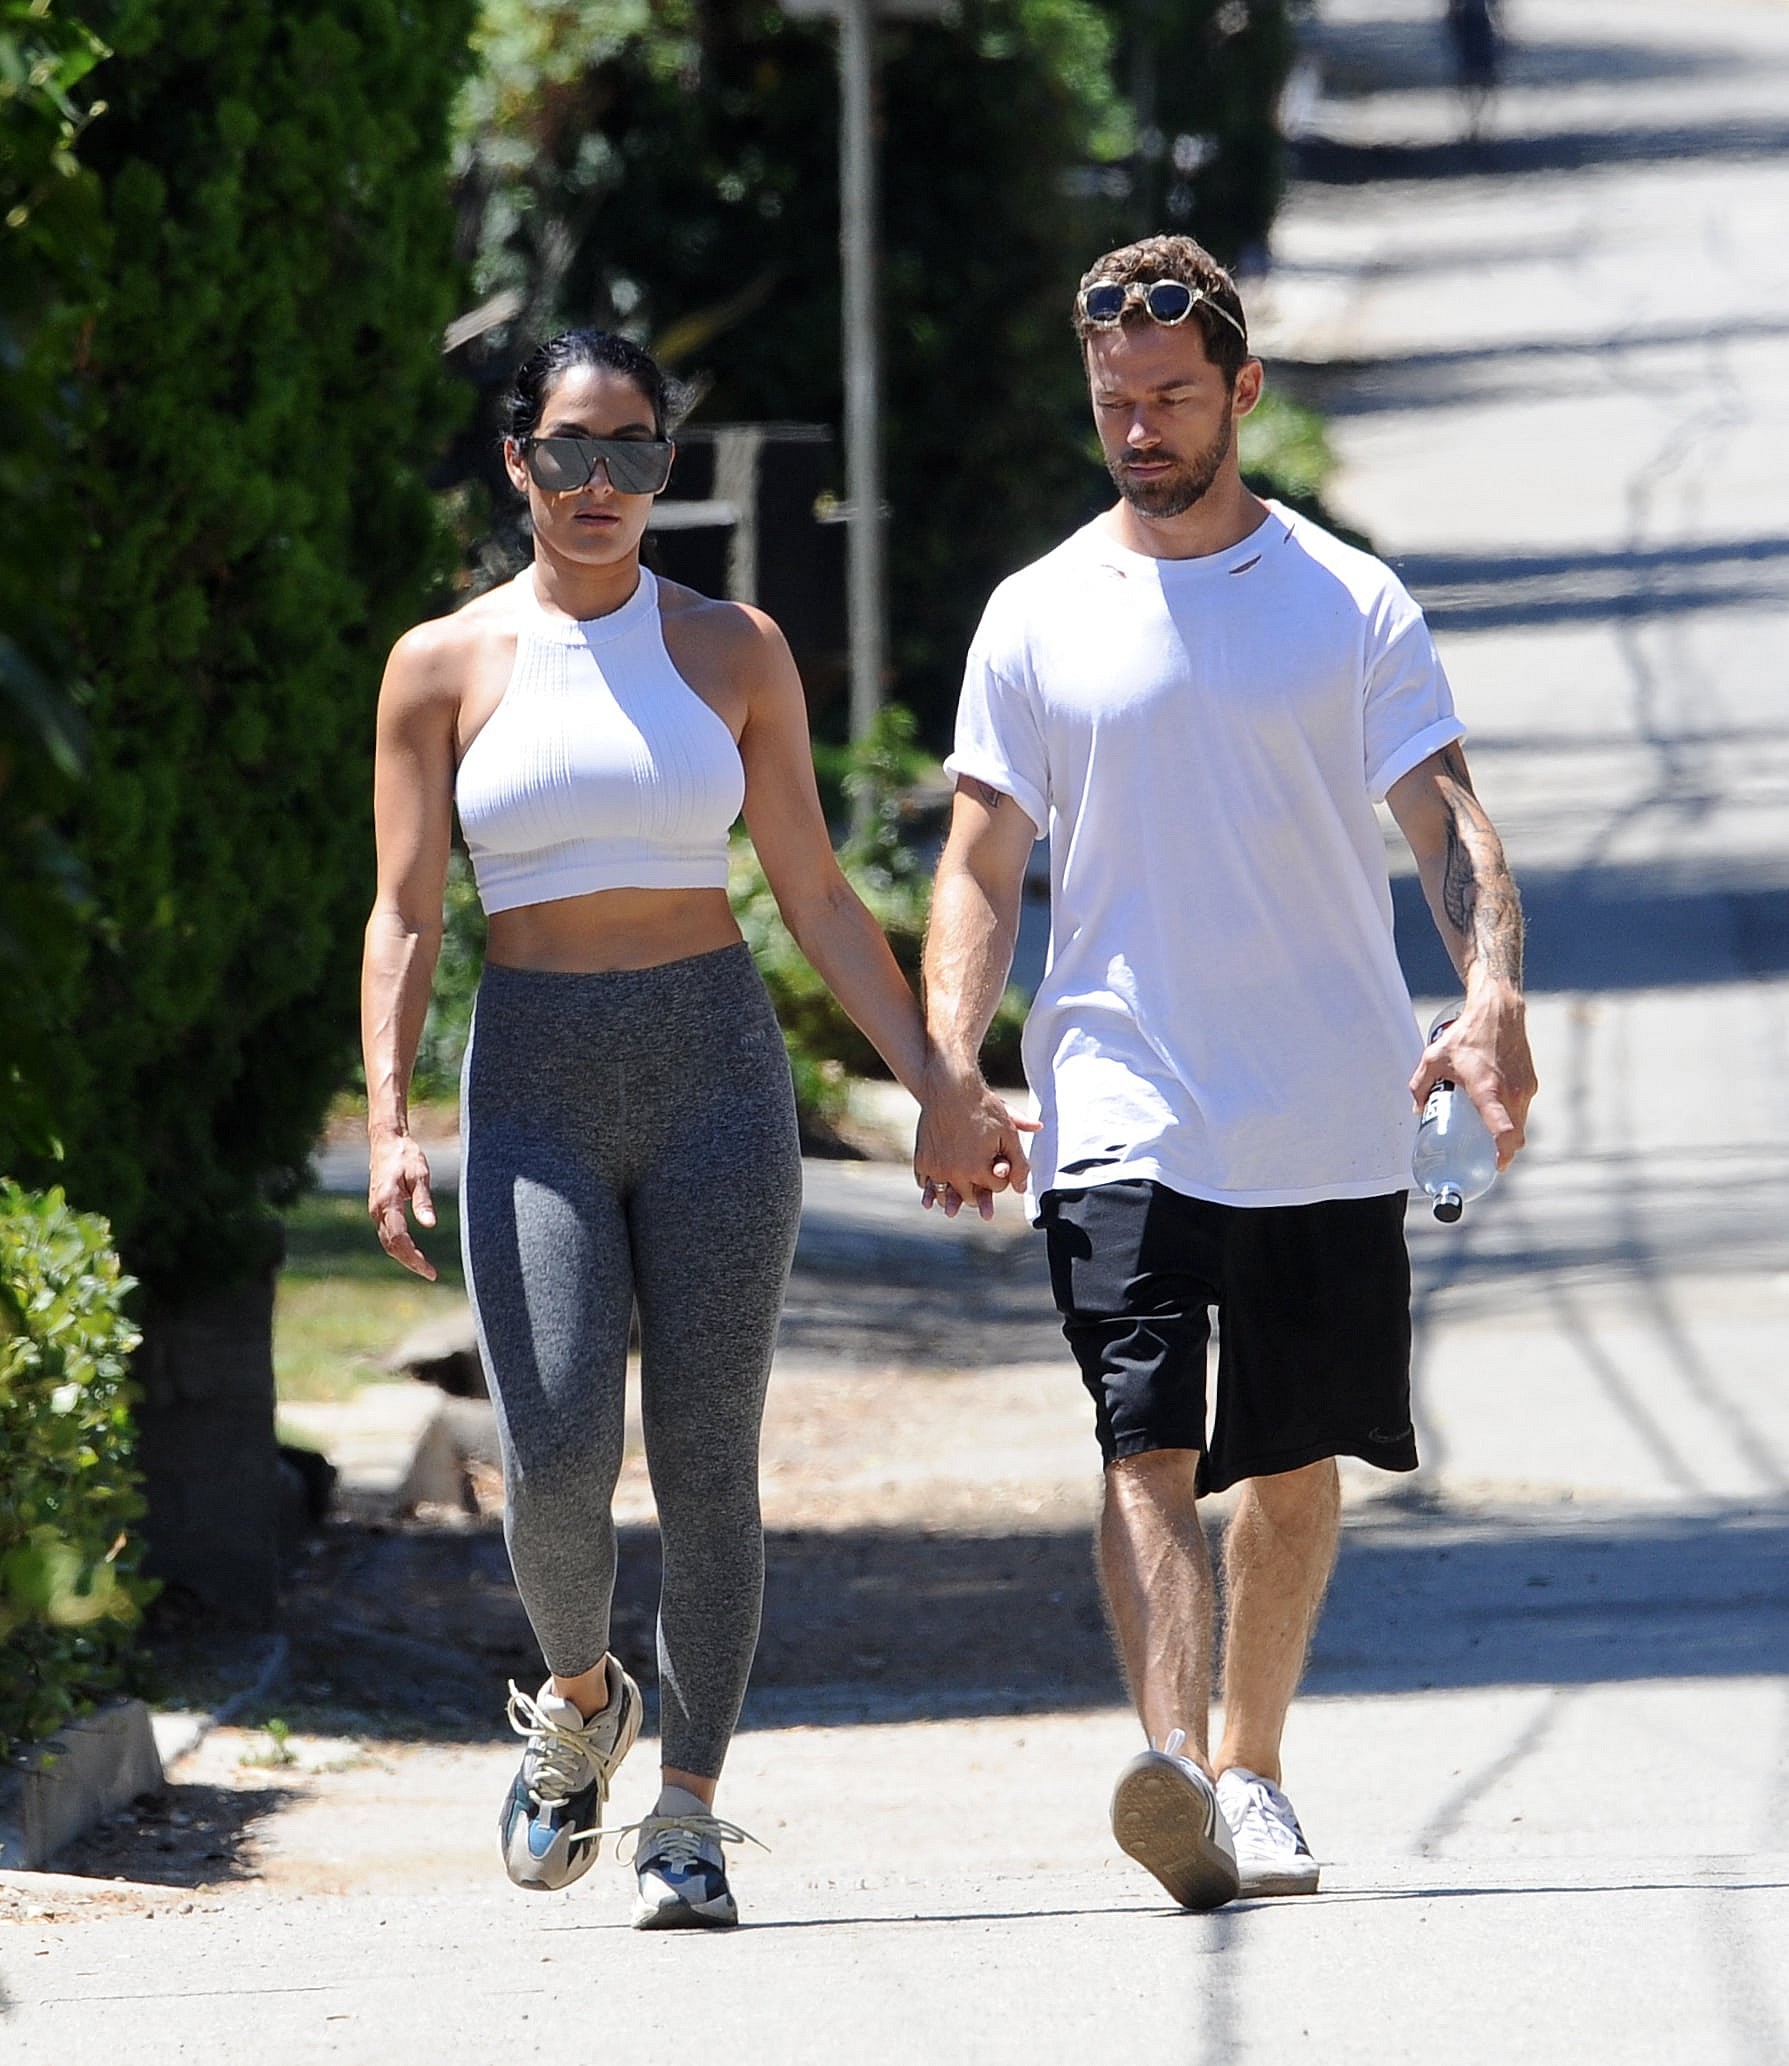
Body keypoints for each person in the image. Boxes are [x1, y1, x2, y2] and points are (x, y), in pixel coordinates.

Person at [914, 236, 1536, 1909]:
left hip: (1321, 1098)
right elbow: (978, 861)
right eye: (1115, 401)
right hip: (1114, 1091)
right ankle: (1176, 1769)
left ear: (1241, 392)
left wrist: (1487, 994)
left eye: (1172, 398)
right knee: (1142, 1435)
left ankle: (1254, 1768)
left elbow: (1449, 827)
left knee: (1285, 1452)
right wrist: (950, 1064)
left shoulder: (1345, 602)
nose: (1138, 428)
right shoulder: (1036, 611)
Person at [360, 328, 953, 1929]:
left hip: (713, 1068)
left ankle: (686, 1810)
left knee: (707, 1464)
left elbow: (816, 893)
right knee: (552, 1459)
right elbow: (405, 915)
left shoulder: (735, 649)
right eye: (567, 449)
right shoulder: (441, 664)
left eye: (631, 449)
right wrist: (397, 1117)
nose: (599, 481)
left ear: (665, 471)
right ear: (517, 463)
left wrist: (935, 1079)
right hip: (536, 1082)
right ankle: (582, 1696)